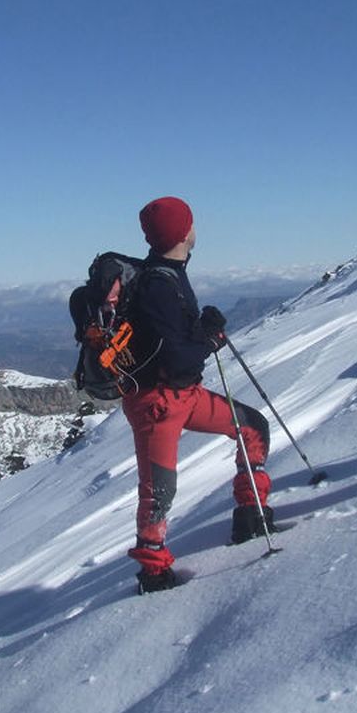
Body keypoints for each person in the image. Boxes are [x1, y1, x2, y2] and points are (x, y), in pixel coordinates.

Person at [120, 196, 275, 592]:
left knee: (252, 427)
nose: (194, 229)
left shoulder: (168, 273)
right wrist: (206, 338)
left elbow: (172, 341)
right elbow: (174, 355)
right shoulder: (158, 284)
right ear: (182, 232)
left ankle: (251, 513)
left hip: (184, 395)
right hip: (157, 404)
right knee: (158, 493)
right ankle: (153, 574)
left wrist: (201, 328)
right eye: (191, 223)